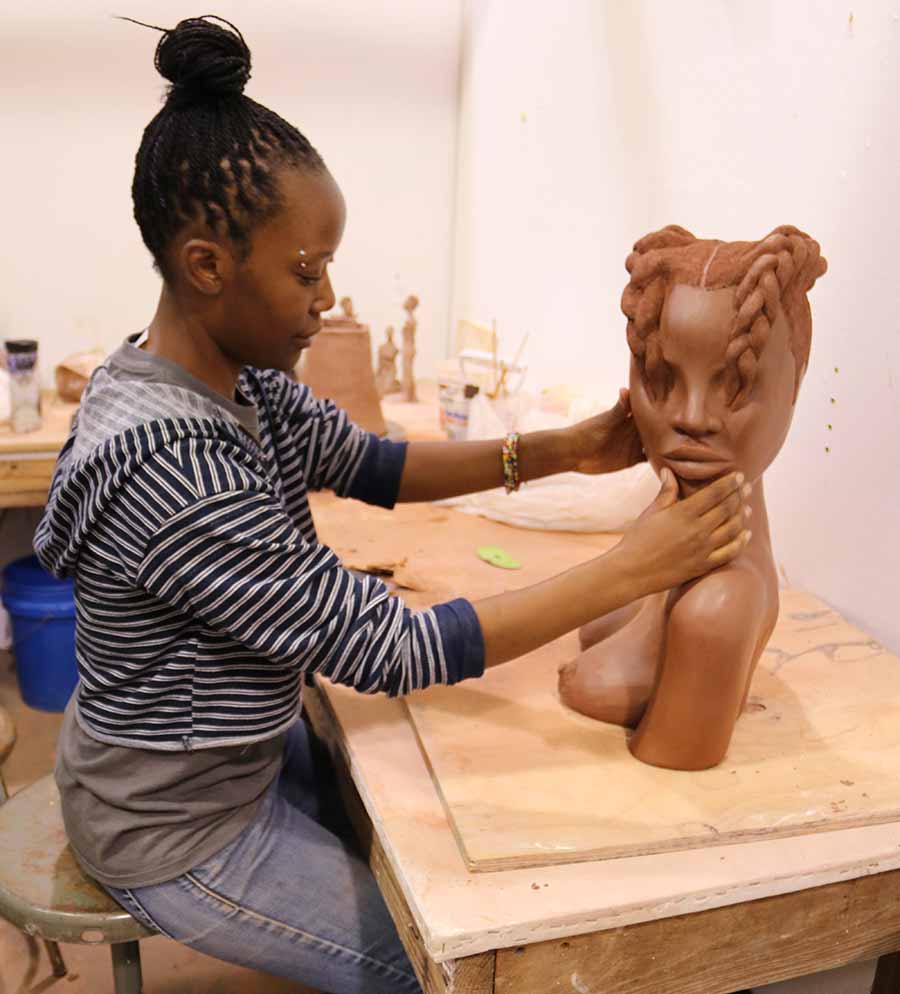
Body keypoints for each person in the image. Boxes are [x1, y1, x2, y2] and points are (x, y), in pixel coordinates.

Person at [35, 17, 751, 994]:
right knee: (435, 964)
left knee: (387, 808)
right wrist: (633, 568)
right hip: (172, 824)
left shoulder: (224, 376)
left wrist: (566, 449)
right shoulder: (173, 463)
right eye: (304, 269)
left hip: (210, 746)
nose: (327, 294)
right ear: (206, 265)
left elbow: (366, 462)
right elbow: (394, 652)